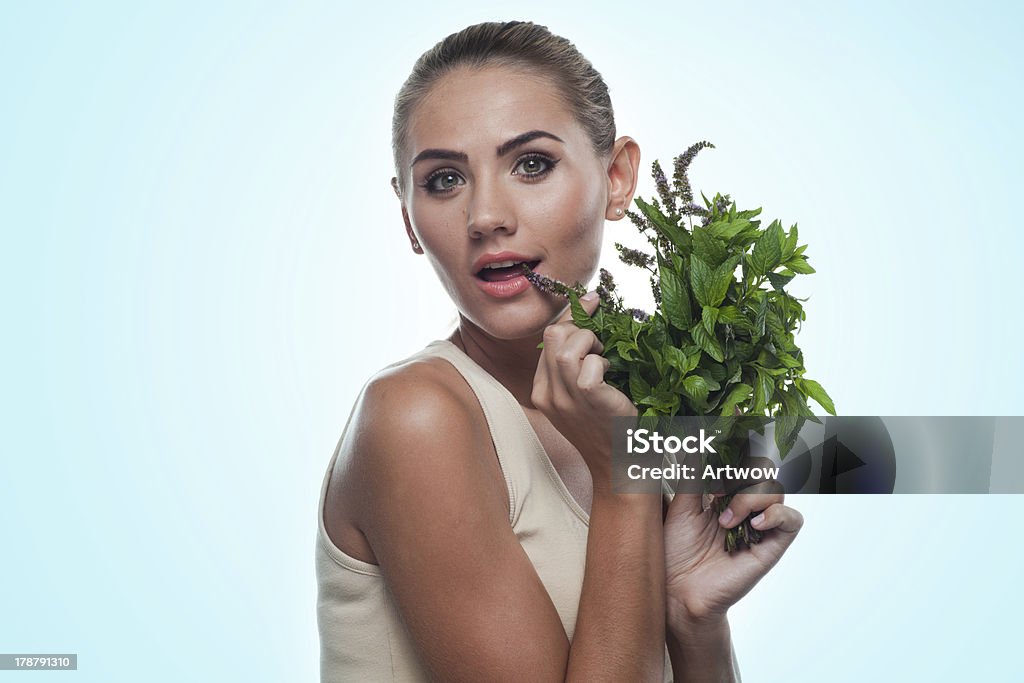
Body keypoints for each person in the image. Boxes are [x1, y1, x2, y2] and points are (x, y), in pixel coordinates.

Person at [316, 20, 803, 682]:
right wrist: (621, 483)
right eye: (443, 180)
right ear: (407, 216)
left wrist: (694, 621)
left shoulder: (633, 412)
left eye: (531, 164)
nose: (485, 215)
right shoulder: (416, 418)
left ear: (619, 176)